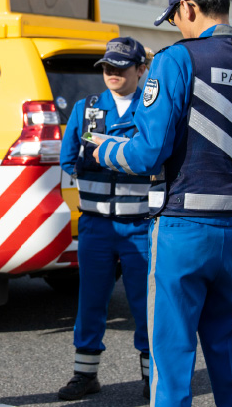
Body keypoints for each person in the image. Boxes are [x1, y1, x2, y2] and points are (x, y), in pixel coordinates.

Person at [91, 0, 232, 406]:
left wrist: (104, 149)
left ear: (187, 6)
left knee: (173, 359)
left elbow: (147, 153)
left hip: (183, 228)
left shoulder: (176, 60)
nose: (178, 24)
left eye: (176, 15)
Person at [58, 37, 152, 401]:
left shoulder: (152, 108)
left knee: (145, 303)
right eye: (107, 67)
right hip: (96, 225)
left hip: (139, 227)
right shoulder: (86, 108)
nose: (111, 73)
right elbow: (69, 159)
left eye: (121, 66)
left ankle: (150, 376)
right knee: (91, 300)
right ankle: (85, 376)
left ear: (141, 69)